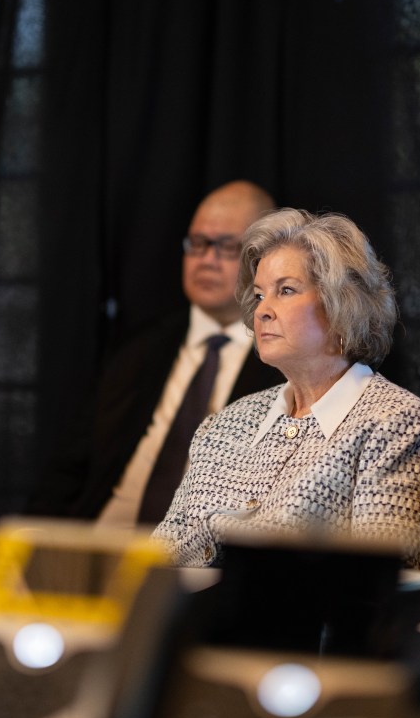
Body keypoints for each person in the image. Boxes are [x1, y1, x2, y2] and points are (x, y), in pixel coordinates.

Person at [153, 208, 420, 576]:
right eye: (260, 294)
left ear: (341, 303)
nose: (262, 310)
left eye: (286, 290)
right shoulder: (224, 426)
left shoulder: (398, 425)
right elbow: (159, 558)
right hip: (195, 624)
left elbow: (384, 584)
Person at [64, 180, 281, 526]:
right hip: (104, 540)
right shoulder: (139, 347)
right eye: (198, 243)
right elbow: (71, 465)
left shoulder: (288, 363)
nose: (207, 260)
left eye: (227, 247)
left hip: (205, 565)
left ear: (264, 258)